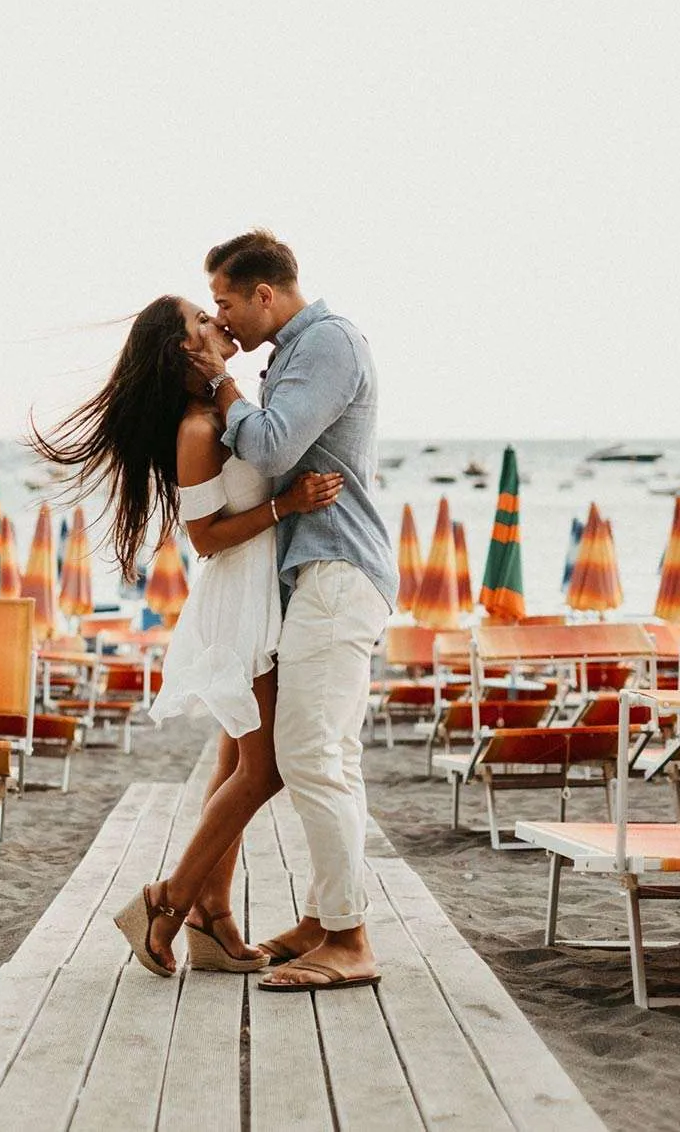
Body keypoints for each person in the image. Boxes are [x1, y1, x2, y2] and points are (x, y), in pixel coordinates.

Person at [33, 296, 344, 975]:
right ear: (182, 349)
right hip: (242, 603)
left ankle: (213, 915)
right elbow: (205, 539)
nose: (219, 322)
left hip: (262, 590)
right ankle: (167, 900)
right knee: (262, 771)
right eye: (204, 318)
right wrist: (286, 504)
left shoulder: (223, 412)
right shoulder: (198, 428)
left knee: (236, 763)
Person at [188, 229, 397, 994]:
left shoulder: (330, 344)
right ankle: (324, 919)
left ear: (264, 294)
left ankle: (350, 940)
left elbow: (273, 448)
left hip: (338, 569)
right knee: (329, 756)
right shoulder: (294, 354)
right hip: (319, 572)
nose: (224, 322)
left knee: (307, 756)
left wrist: (220, 384)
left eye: (226, 303)